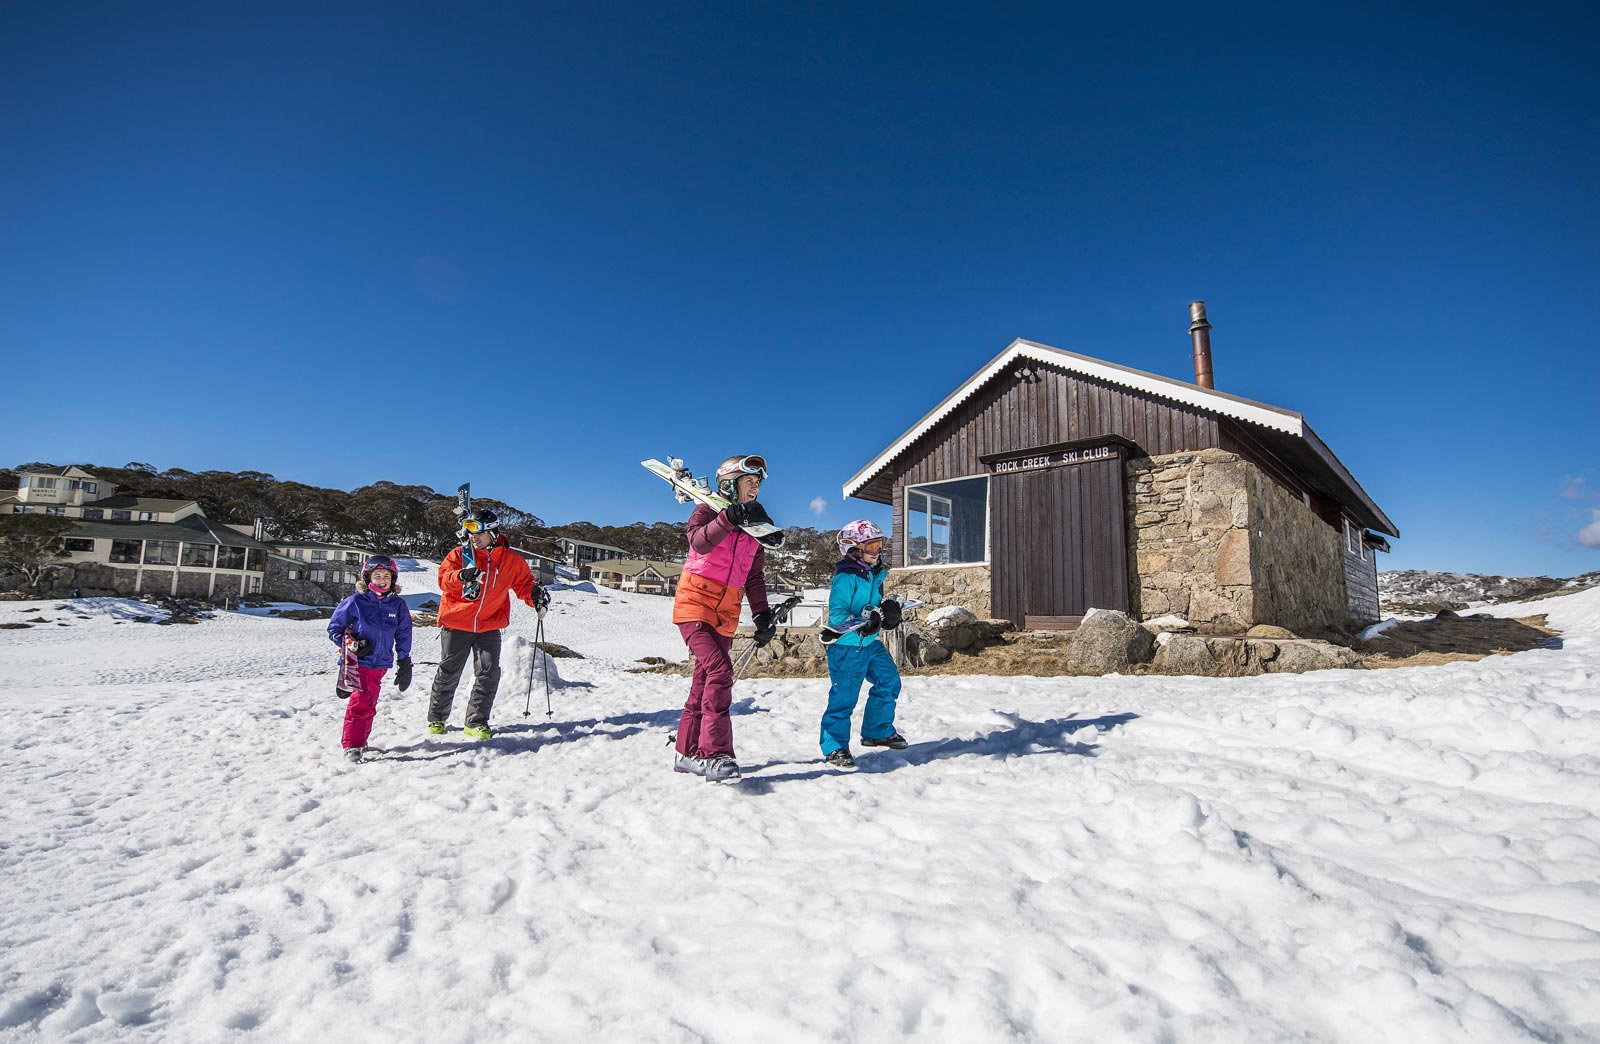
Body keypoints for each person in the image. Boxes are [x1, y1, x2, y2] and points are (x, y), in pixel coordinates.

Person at [670, 454, 778, 783]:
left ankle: (686, 753)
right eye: (749, 481)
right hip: (695, 604)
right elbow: (698, 542)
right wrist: (728, 518)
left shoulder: (754, 529)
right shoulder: (707, 510)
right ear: (730, 483)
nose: (755, 487)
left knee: (704, 680)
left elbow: (754, 577)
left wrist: (761, 614)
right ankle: (715, 754)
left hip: (726, 611)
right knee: (720, 671)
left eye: (758, 483)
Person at [427, 508, 551, 740]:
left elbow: (524, 585)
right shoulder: (459, 555)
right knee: (449, 672)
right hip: (456, 622)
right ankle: (437, 717)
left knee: (489, 673)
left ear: (493, 533)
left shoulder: (511, 560)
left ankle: (475, 722)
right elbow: (443, 580)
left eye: (479, 533)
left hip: (490, 624)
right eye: (470, 533)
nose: (473, 537)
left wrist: (535, 596)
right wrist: (462, 576)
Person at [819, 520, 906, 768]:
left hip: (870, 644)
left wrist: (888, 611)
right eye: (871, 546)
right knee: (844, 697)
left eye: (880, 545)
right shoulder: (846, 577)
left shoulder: (874, 575)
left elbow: (874, 608)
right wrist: (864, 622)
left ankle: (877, 731)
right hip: (847, 647)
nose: (878, 552)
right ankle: (834, 746)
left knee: (889, 680)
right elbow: (838, 614)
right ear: (853, 548)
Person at [327, 555, 414, 763]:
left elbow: (404, 633)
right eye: (377, 576)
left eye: (386, 576)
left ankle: (361, 740)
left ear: (393, 579)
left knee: (369, 702)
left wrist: (404, 661)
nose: (382, 580)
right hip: (357, 662)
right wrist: (353, 646)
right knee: (360, 702)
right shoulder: (355, 601)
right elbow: (334, 629)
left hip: (381, 663)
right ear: (367, 578)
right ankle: (352, 745)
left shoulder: (397, 605)